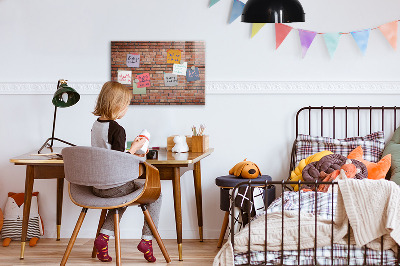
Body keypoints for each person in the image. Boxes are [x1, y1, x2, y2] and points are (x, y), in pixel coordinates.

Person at [91, 81, 161, 263]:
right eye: (127, 104)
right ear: (117, 105)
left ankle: (103, 238)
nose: (127, 108)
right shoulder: (117, 129)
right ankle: (147, 240)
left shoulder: (96, 125)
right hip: (114, 186)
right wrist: (135, 149)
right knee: (156, 194)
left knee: (122, 198)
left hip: (97, 186)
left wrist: (130, 149)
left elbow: (108, 154)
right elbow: (118, 161)